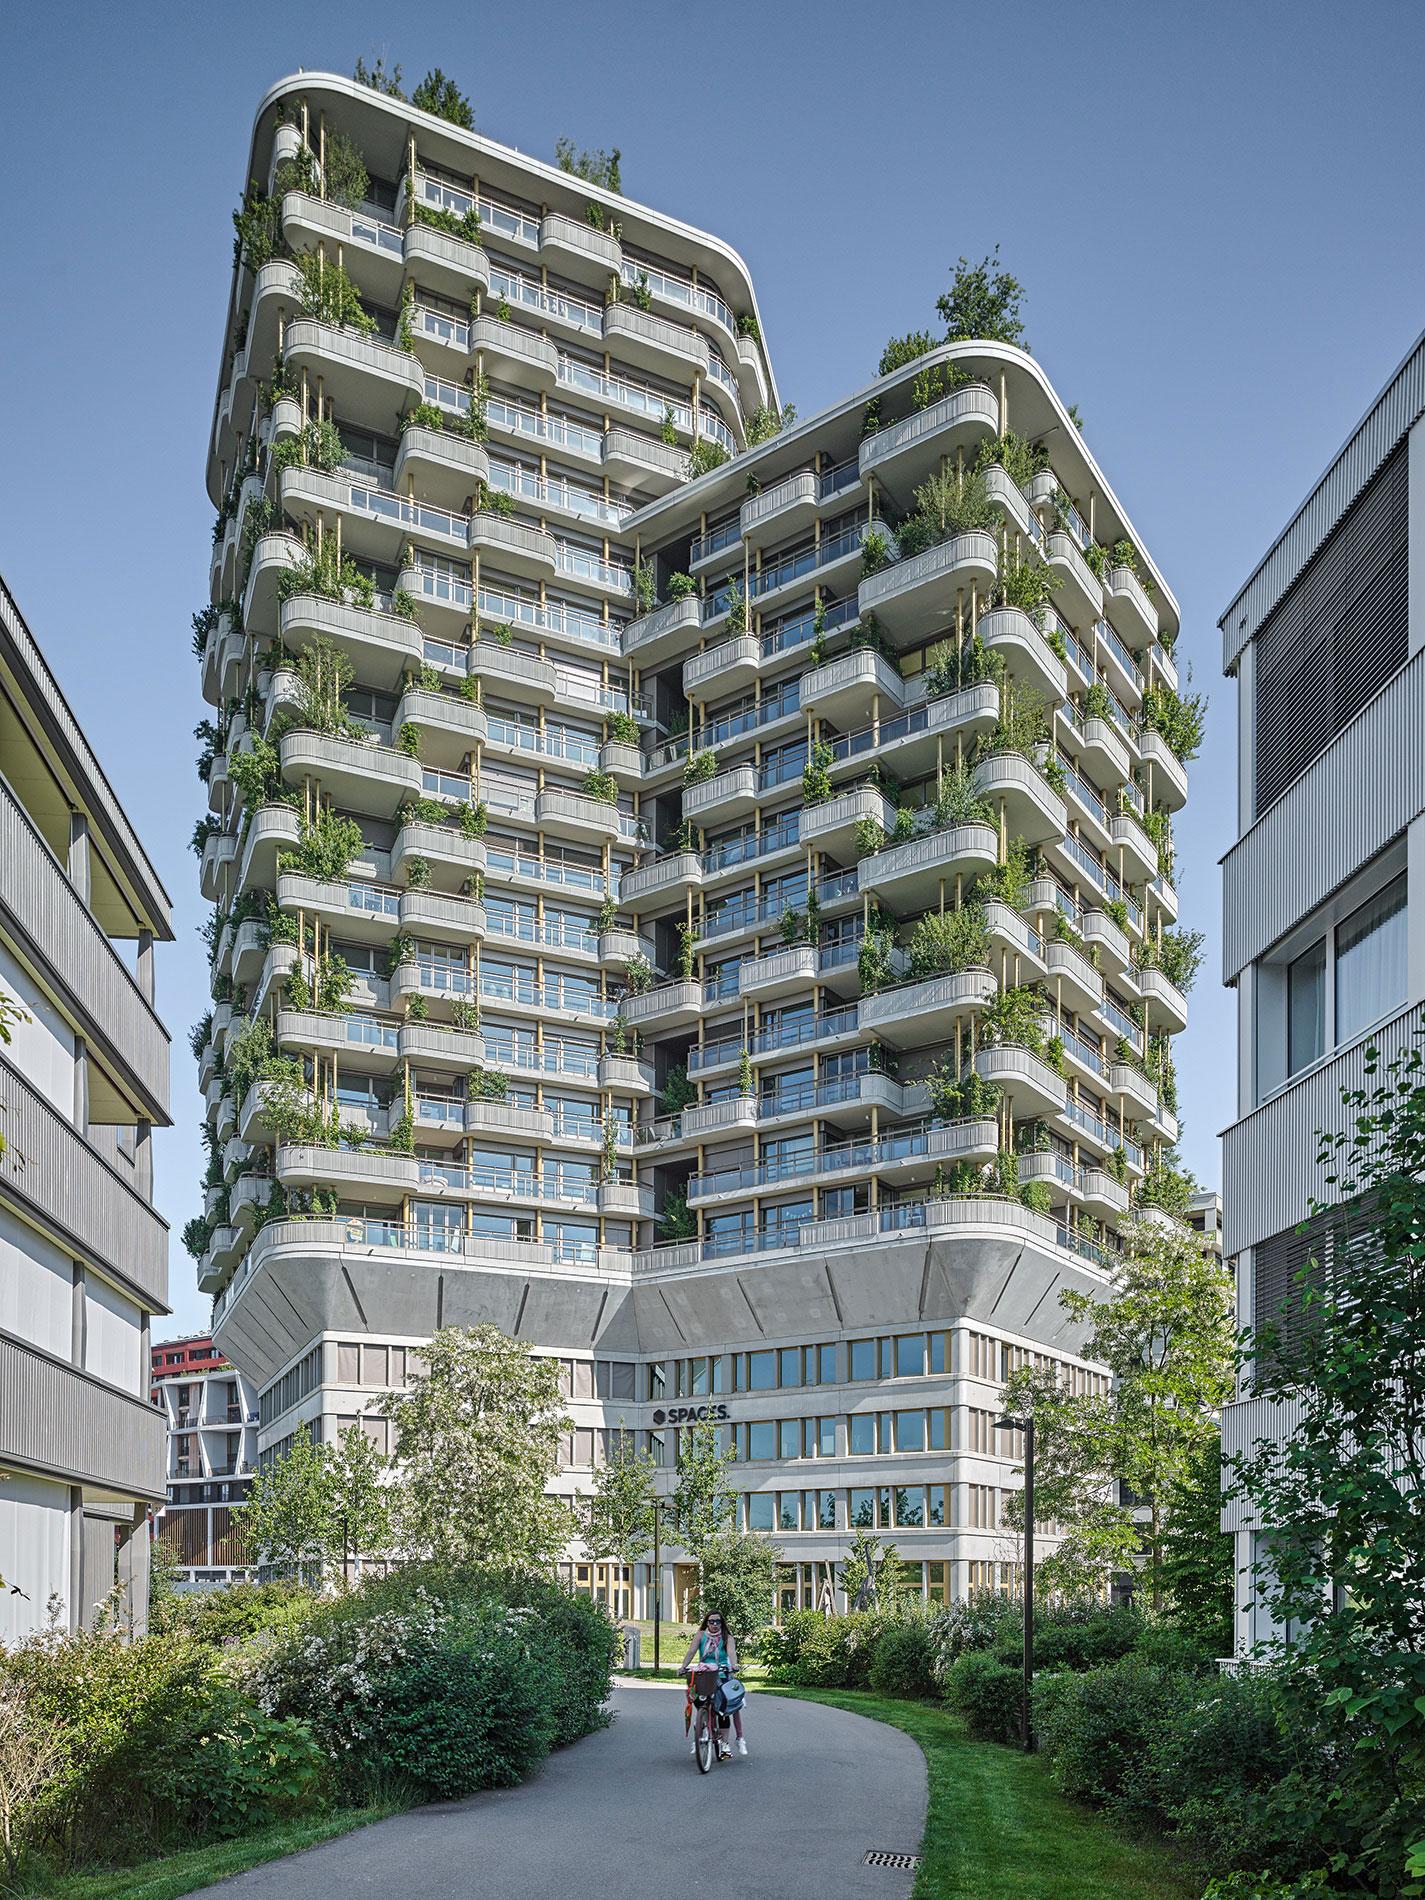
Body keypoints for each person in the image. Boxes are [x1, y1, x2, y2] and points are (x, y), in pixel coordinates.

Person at [679, 1610, 746, 1759]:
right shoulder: (700, 1635)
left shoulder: (727, 1637)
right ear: (706, 1622)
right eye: (711, 1621)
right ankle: (700, 1731)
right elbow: (691, 1651)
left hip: (722, 1673)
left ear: (722, 1623)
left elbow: (731, 1653)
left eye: (717, 1622)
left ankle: (724, 1743)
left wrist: (733, 1665)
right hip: (704, 1674)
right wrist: (683, 1667)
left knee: (723, 1709)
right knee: (699, 1701)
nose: (714, 1624)